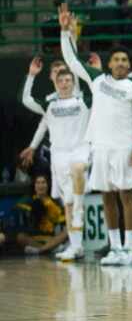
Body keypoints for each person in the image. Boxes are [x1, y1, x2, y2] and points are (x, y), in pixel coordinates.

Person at [59, 4, 132, 266]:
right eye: (116, 59)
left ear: (129, 65)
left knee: (127, 196)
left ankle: (130, 250)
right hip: (100, 147)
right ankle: (115, 249)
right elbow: (72, 61)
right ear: (109, 64)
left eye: (125, 60)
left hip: (125, 147)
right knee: (107, 197)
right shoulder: (97, 80)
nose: (121, 63)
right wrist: (65, 33)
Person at [18, 66, 90, 261]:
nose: (65, 84)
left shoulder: (83, 100)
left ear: (73, 82)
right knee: (67, 202)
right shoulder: (50, 105)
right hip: (59, 155)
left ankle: (79, 208)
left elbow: (94, 87)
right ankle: (76, 247)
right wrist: (31, 75)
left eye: (68, 80)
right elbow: (26, 99)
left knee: (78, 170)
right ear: (56, 84)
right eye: (61, 81)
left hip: (80, 150)